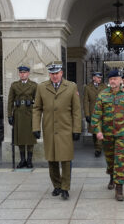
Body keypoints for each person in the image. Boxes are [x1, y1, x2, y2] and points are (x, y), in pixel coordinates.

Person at [32, 61, 81, 200]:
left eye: (57, 73)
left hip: (66, 128)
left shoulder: (71, 87)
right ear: (49, 74)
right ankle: (57, 185)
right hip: (49, 129)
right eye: (52, 73)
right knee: (52, 159)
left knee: (66, 159)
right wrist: (36, 127)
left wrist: (77, 129)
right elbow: (37, 109)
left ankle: (65, 188)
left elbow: (76, 111)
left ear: (62, 73)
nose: (54, 76)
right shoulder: (42, 88)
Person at [91, 69, 124, 201]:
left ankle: (119, 189)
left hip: (122, 134)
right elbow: (96, 115)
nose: (113, 81)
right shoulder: (103, 95)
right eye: (111, 79)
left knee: (120, 160)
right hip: (107, 134)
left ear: (120, 80)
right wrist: (98, 131)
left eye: (115, 79)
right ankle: (112, 176)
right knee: (110, 159)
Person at [7, 65, 37, 168]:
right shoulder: (14, 85)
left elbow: (38, 101)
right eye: (21, 73)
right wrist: (9, 115)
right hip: (18, 113)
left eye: (24, 73)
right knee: (20, 138)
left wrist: (32, 103)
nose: (22, 74)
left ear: (28, 74)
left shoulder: (33, 85)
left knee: (29, 137)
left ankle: (29, 160)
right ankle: (22, 160)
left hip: (29, 113)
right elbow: (10, 101)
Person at [83, 71, 107, 157]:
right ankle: (97, 146)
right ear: (93, 78)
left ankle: (98, 149)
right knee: (94, 132)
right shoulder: (87, 87)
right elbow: (85, 101)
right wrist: (86, 114)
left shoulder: (104, 87)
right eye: (98, 77)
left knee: (100, 130)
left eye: (100, 78)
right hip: (92, 112)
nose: (100, 79)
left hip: (102, 113)